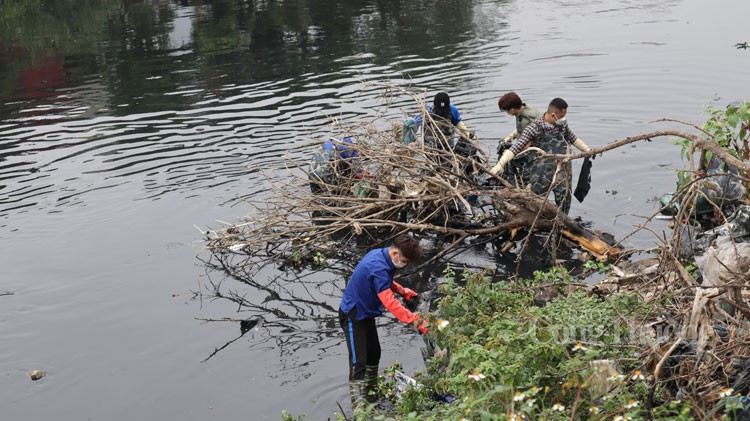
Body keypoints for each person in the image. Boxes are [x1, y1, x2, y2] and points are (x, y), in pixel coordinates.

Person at [339, 234, 428, 412]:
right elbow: (390, 303)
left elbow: (384, 281)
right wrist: (414, 319)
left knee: (374, 354)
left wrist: (402, 290)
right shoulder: (377, 266)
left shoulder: (381, 255)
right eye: (403, 260)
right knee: (359, 364)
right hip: (353, 315)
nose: (404, 264)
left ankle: (371, 396)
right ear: (395, 252)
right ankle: (360, 412)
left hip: (365, 314)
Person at [490, 97, 591, 214]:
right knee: (534, 201)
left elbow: (573, 138)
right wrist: (500, 165)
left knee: (564, 201)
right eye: (562, 116)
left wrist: (587, 150)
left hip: (562, 170)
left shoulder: (562, 125)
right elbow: (515, 148)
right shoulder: (535, 128)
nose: (563, 119)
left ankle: (562, 224)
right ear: (554, 115)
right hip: (541, 173)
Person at [496, 92, 541, 156]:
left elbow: (526, 144)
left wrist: (509, 153)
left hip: (537, 148)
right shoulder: (526, 107)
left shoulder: (524, 119)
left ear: (512, 110)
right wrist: (510, 137)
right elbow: (521, 129)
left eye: (506, 111)